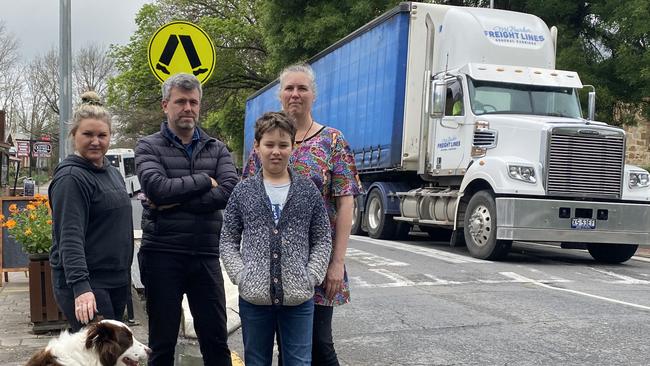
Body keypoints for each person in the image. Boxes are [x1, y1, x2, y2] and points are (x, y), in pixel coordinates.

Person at [243, 63, 362, 365]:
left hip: (318, 264)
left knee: (319, 345)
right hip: (273, 267)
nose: (295, 94)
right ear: (280, 95)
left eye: (302, 88)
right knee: (288, 349)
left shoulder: (332, 141)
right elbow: (247, 203)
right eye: (289, 88)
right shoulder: (265, 144)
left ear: (314, 95)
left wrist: (337, 263)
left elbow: (346, 203)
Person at [135, 73, 238, 366]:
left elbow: (230, 190)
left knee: (216, 342)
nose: (188, 108)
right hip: (162, 256)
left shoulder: (216, 148)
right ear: (165, 105)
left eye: (193, 102)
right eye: (180, 101)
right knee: (162, 344)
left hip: (205, 255)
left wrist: (170, 202)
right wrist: (206, 179)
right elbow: (157, 188)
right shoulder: (148, 146)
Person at [221, 111, 332, 366]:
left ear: (293, 147)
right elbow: (228, 239)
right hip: (254, 299)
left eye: (283, 145)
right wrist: (241, 275)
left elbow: (322, 238)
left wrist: (311, 276)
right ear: (257, 147)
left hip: (298, 298)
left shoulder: (307, 190)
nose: (276, 152)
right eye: (269, 145)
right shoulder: (244, 191)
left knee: (298, 361)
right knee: (256, 360)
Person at [49, 91, 134, 332]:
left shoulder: (112, 173)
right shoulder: (71, 178)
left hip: (115, 280)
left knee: (111, 355)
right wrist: (81, 288)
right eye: (87, 134)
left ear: (110, 137)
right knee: (98, 356)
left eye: (102, 135)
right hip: (88, 284)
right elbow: (69, 237)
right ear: (73, 135)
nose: (95, 141)